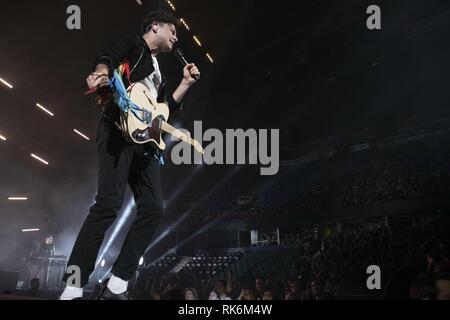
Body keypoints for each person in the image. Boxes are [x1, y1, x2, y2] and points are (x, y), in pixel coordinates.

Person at [59, 10, 200, 300]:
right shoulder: (134, 44)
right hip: (117, 129)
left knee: (153, 208)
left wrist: (185, 83)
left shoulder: (159, 70)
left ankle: (118, 282)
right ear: (155, 27)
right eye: (172, 30)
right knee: (108, 204)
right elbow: (108, 56)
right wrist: (100, 72)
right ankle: (73, 285)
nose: (176, 36)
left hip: (145, 141)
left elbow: (163, 113)